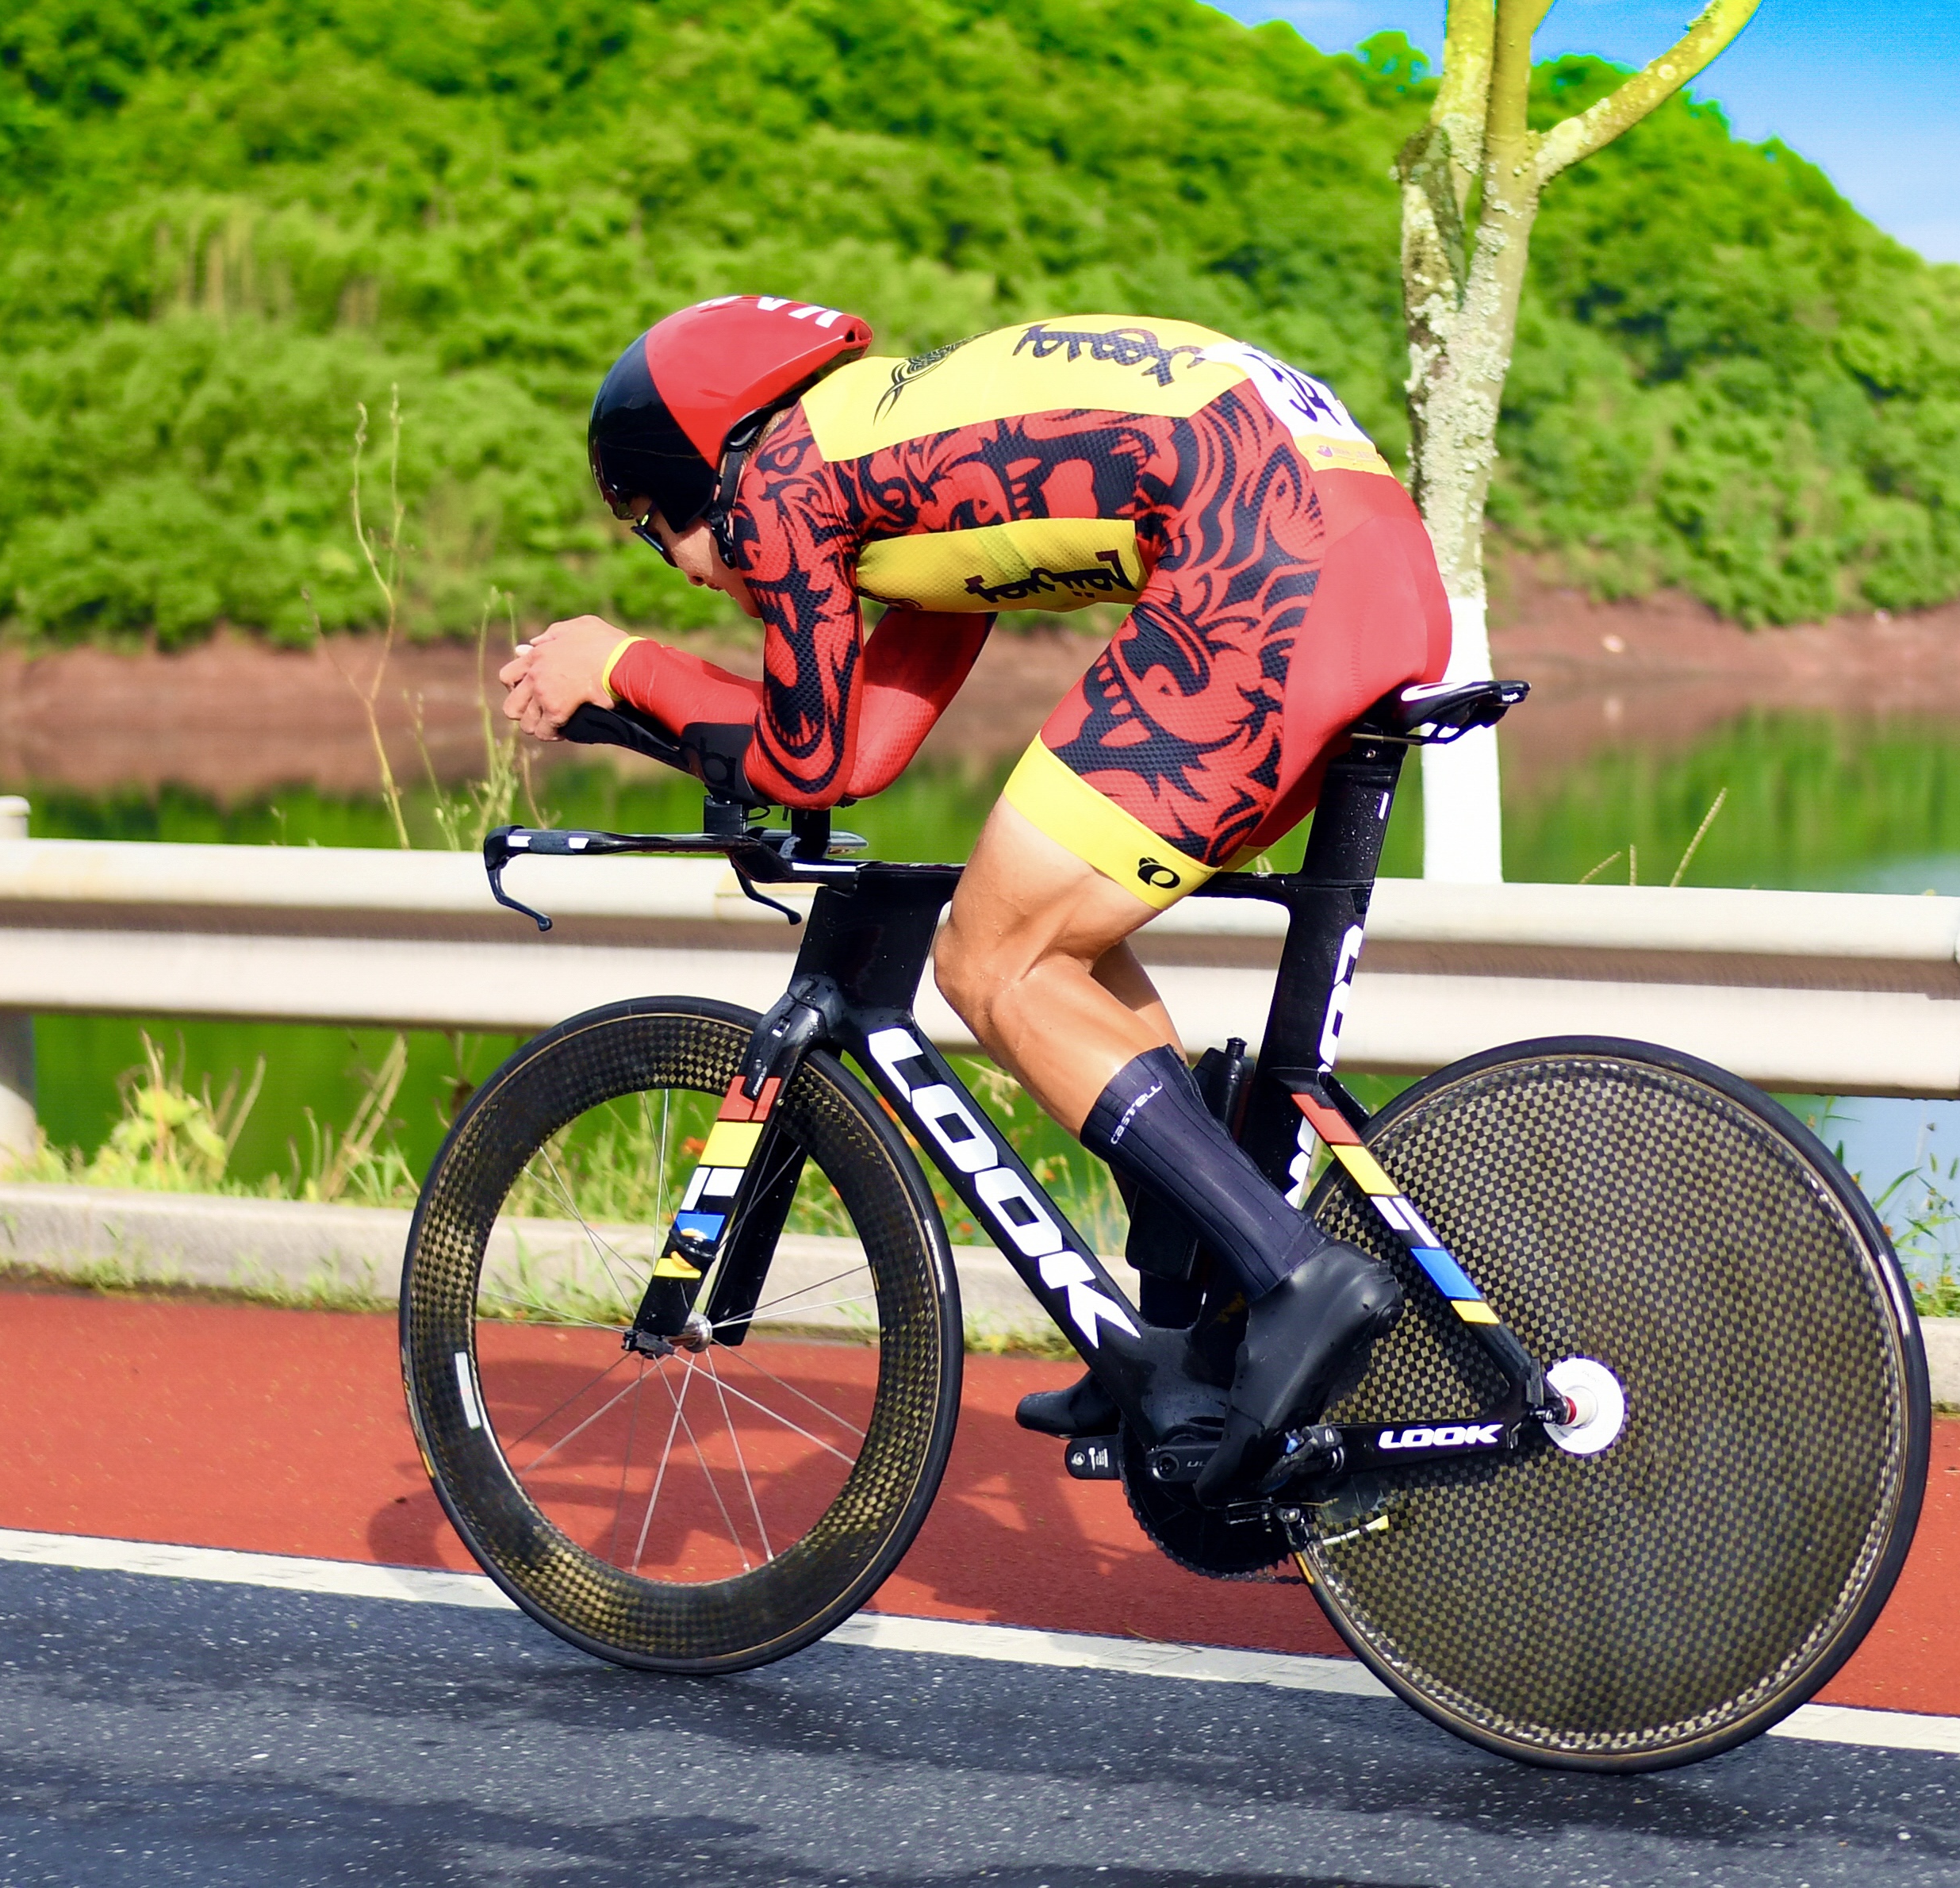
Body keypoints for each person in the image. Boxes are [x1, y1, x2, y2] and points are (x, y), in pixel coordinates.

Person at [498, 296, 1452, 1498]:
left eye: (656, 531)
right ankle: (1187, 1332)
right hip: (1362, 557)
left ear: (701, 468)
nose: (686, 572)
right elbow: (856, 753)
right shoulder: (902, 476)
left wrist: (621, 663)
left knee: (991, 959)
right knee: (1055, 937)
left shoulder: (779, 480)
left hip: (1268, 562)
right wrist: (650, 699)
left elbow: (801, 762)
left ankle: (1291, 1271)